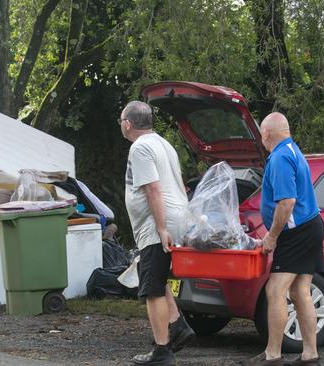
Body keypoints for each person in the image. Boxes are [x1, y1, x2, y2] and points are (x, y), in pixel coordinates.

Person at [245, 112, 324, 366]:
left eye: (262, 134)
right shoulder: (292, 150)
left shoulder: (279, 157)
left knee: (275, 289)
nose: (261, 139)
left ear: (267, 133)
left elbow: (287, 202)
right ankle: (310, 354)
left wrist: (271, 237)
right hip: (310, 226)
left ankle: (272, 355)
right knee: (301, 290)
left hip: (297, 233)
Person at [119, 101, 195, 365]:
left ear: (127, 123)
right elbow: (180, 184)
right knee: (155, 276)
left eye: (121, 121)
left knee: (151, 288)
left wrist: (161, 228)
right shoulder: (163, 144)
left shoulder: (140, 148)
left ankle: (162, 352)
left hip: (156, 225)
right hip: (176, 216)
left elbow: (153, 189)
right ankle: (177, 326)